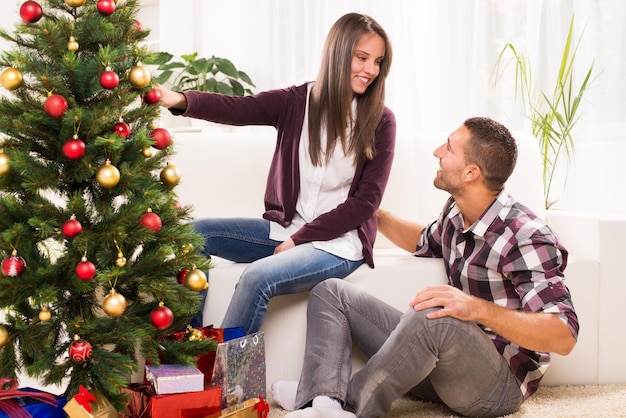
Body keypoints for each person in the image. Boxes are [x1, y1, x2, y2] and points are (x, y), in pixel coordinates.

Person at [271, 117, 579, 418]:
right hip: (443, 371)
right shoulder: (456, 214)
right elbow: (422, 240)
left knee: (438, 313)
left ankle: (350, 406)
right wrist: (370, 211)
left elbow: (563, 334)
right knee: (331, 292)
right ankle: (321, 399)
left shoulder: (525, 235)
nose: (437, 152)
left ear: (471, 172)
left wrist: (476, 309)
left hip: (497, 387)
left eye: (448, 148)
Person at [156, 13, 395, 334]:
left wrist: (302, 238)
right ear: (339, 53)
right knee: (194, 235)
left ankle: (221, 376)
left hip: (337, 245)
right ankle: (188, 348)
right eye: (362, 58)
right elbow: (236, 108)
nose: (371, 70)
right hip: (284, 231)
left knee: (257, 277)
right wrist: (180, 100)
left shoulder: (381, 121)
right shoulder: (295, 102)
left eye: (378, 62)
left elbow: (366, 203)